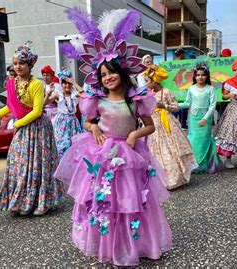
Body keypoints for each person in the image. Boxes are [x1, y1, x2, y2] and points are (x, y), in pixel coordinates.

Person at [55, 8, 172, 266]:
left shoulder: (136, 99)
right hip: (102, 155)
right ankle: (104, 243)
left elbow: (150, 125)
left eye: (112, 72)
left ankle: (135, 244)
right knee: (103, 200)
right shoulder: (96, 100)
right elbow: (87, 121)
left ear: (122, 73)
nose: (108, 77)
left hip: (130, 156)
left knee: (131, 201)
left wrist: (134, 134)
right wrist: (93, 127)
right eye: (103, 74)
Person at [0, 43, 63, 216]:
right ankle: (21, 200)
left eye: (22, 63)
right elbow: (9, 107)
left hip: (38, 128)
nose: (18, 66)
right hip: (23, 128)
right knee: (19, 165)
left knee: (40, 164)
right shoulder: (12, 83)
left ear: (30, 65)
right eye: (15, 63)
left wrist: (16, 124)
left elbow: (37, 111)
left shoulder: (36, 85)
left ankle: (44, 201)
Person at [144, 64, 197, 189]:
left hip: (166, 123)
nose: (146, 84)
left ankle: (174, 178)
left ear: (155, 81)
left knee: (171, 149)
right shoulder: (147, 94)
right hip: (152, 124)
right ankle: (157, 179)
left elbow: (176, 107)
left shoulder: (166, 92)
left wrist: (164, 106)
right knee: (155, 151)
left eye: (148, 81)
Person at [180, 64, 223, 173]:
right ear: (194, 77)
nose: (200, 77)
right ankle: (194, 164)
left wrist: (205, 118)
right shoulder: (191, 88)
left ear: (207, 76)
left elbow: (212, 105)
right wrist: (174, 105)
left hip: (206, 118)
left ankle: (205, 164)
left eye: (203, 75)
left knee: (204, 140)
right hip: (193, 118)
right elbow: (187, 103)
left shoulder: (210, 89)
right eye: (198, 75)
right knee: (193, 140)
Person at [52, 69, 83, 159]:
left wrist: (73, 82)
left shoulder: (75, 94)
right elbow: (44, 103)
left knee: (75, 145)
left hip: (73, 123)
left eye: (69, 83)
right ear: (61, 84)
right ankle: (61, 165)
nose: (67, 85)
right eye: (65, 83)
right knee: (61, 144)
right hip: (62, 122)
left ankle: (72, 164)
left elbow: (84, 94)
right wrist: (48, 94)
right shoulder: (58, 95)